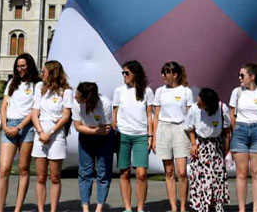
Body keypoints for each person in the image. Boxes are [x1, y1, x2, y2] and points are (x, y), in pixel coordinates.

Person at [0, 53, 40, 212]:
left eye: (23, 65)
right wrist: (5, 125)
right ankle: (0, 208)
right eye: (18, 66)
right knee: (4, 169)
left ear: (29, 65)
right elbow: (3, 106)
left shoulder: (37, 85)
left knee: (23, 169)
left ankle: (17, 208)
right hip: (9, 125)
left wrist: (19, 127)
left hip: (26, 127)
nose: (20, 69)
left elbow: (34, 110)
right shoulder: (12, 83)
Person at [31, 60, 73, 212]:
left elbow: (66, 116)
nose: (42, 74)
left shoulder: (66, 92)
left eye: (44, 71)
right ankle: (41, 209)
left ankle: (53, 209)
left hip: (56, 135)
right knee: (40, 176)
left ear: (53, 73)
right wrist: (41, 132)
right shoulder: (39, 88)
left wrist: (50, 132)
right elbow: (34, 113)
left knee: (54, 177)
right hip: (40, 133)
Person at [113, 60, 155, 212]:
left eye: (127, 73)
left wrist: (151, 136)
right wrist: (114, 128)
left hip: (141, 136)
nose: (124, 75)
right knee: (124, 172)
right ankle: (128, 208)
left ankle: (140, 208)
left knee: (141, 173)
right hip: (123, 134)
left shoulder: (147, 92)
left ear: (135, 74)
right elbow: (115, 112)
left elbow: (149, 115)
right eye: (123, 73)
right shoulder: (119, 91)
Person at [154, 61, 194, 212]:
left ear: (175, 75)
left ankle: (183, 206)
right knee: (169, 171)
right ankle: (173, 207)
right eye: (162, 72)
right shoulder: (159, 91)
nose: (163, 76)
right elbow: (156, 116)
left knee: (182, 172)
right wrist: (154, 136)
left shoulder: (186, 92)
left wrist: (193, 139)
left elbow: (191, 116)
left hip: (181, 130)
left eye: (166, 73)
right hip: (164, 129)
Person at [185, 87, 233, 212]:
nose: (198, 103)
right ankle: (202, 207)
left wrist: (227, 144)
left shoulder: (222, 108)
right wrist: (193, 144)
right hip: (201, 145)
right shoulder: (194, 109)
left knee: (216, 179)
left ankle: (214, 206)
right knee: (202, 179)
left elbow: (227, 128)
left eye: (201, 102)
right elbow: (190, 128)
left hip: (217, 145)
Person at [230, 62, 257, 212]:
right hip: (240, 130)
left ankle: (256, 209)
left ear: (252, 76)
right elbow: (231, 114)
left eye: (242, 75)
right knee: (241, 173)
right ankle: (242, 209)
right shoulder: (237, 92)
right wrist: (235, 131)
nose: (240, 78)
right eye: (239, 75)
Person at [73, 82, 114, 212]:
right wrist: (94, 130)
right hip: (86, 137)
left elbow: (106, 129)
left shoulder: (105, 103)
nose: (76, 98)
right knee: (85, 172)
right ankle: (85, 207)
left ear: (88, 97)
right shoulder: (76, 104)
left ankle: (99, 208)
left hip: (104, 139)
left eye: (79, 96)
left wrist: (94, 130)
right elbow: (78, 126)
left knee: (103, 172)